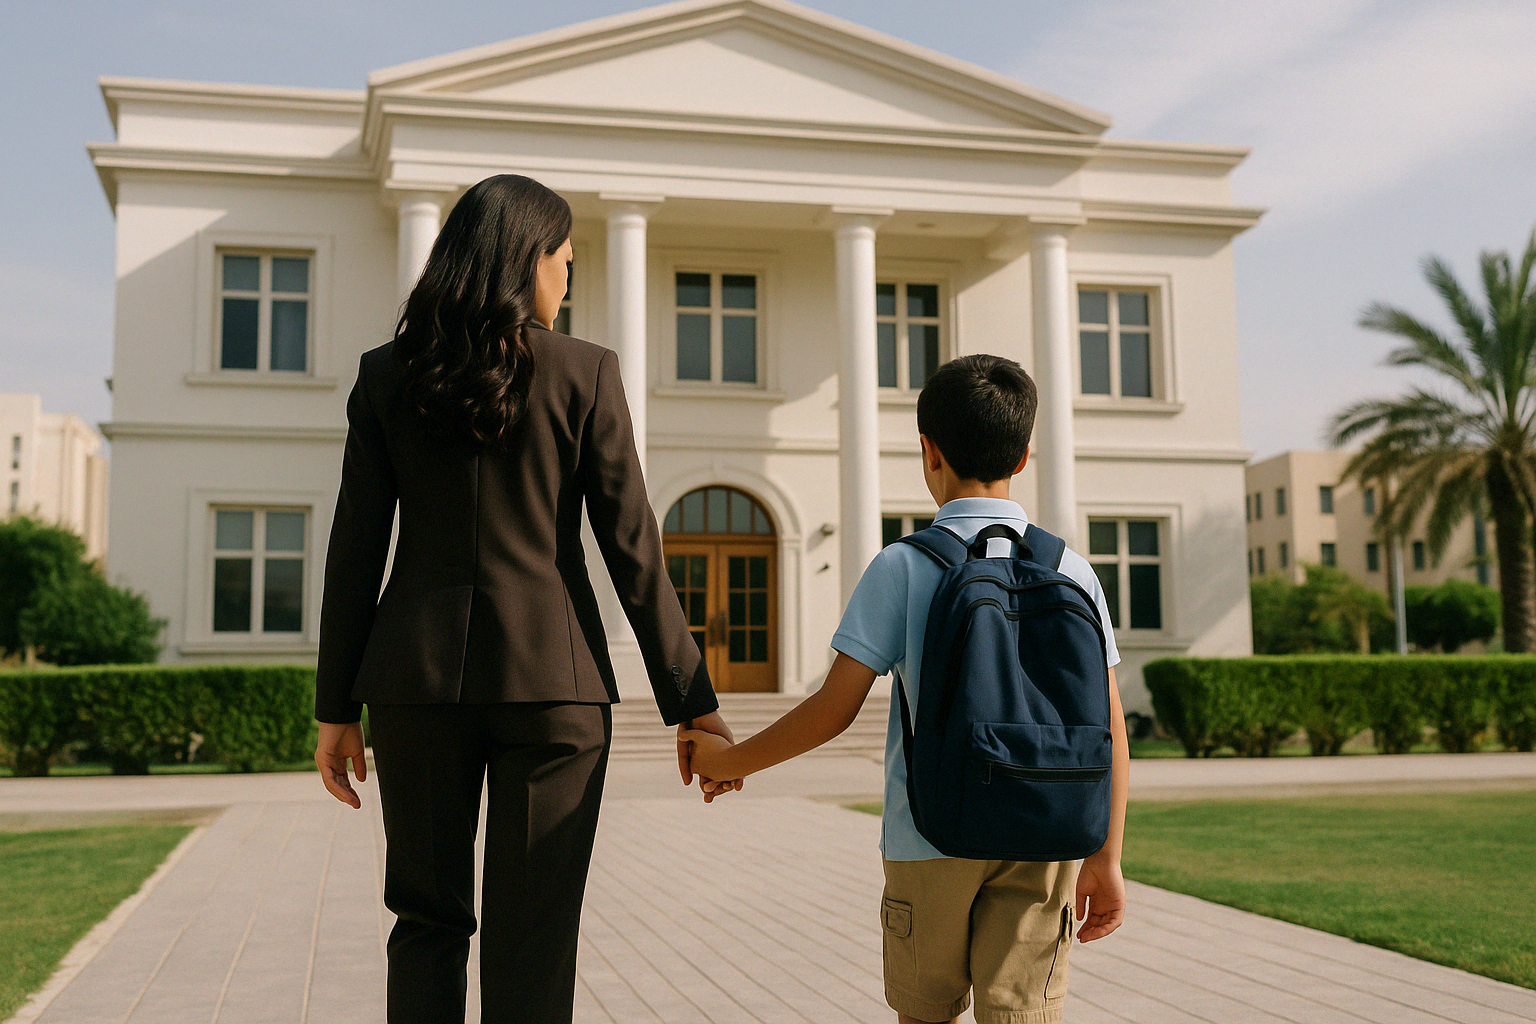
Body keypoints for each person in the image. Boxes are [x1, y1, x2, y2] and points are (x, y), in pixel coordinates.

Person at [311, 173, 736, 1024]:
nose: (567, 280)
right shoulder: (585, 372)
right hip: (557, 691)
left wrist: (335, 709)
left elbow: (355, 549)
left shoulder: (387, 375)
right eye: (564, 261)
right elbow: (633, 549)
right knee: (533, 934)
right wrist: (694, 703)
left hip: (415, 687)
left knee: (425, 923)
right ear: (528, 259)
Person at [686, 354, 1129, 1024]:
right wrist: (1106, 855)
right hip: (1045, 836)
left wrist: (728, 760)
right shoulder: (1073, 569)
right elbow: (1110, 726)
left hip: (929, 838)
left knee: (926, 1016)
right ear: (1024, 455)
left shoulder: (904, 565)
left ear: (929, 452)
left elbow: (833, 710)